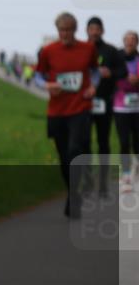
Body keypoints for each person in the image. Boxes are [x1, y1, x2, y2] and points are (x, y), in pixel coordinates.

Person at [35, 12, 97, 218]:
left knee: (74, 150)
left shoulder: (88, 49)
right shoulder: (48, 51)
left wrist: (93, 87)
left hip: (80, 108)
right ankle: (73, 191)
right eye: (62, 30)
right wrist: (47, 84)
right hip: (57, 110)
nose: (65, 34)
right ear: (57, 31)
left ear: (75, 30)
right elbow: (38, 75)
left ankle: (74, 196)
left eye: (69, 30)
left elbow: (95, 72)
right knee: (63, 157)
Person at [85, 16, 128, 196]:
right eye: (91, 29)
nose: (94, 32)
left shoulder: (110, 51)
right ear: (87, 31)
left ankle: (102, 184)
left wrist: (111, 72)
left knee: (103, 143)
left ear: (102, 31)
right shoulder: (81, 49)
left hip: (105, 101)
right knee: (83, 143)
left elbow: (123, 70)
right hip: (84, 103)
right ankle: (87, 181)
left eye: (97, 29)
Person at [113, 30, 139, 191]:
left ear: (136, 43)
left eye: (133, 40)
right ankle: (126, 174)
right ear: (123, 42)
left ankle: (136, 169)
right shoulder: (117, 59)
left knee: (137, 142)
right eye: (127, 40)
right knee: (124, 142)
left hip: (137, 107)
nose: (129, 42)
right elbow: (109, 76)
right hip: (121, 106)